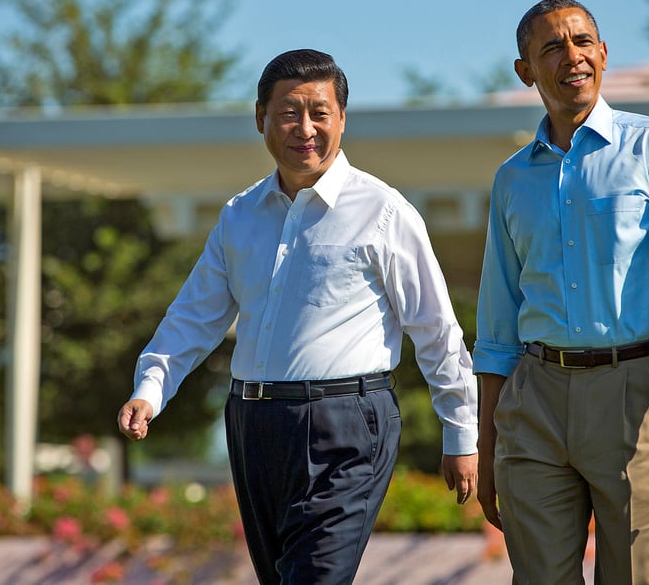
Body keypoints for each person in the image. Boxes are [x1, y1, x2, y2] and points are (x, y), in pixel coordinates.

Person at [117, 49, 479, 585]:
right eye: (289, 112)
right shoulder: (239, 215)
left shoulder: (384, 211)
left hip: (347, 424)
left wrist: (461, 432)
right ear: (260, 116)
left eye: (319, 112)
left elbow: (435, 329)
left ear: (342, 120)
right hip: (252, 424)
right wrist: (151, 388)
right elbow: (195, 316)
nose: (304, 128)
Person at [474, 0, 649, 584]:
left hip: (636, 393)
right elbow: (497, 324)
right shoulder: (512, 179)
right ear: (525, 70)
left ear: (604, 54)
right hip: (534, 399)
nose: (572, 57)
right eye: (552, 47)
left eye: (583, 42)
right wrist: (486, 446)